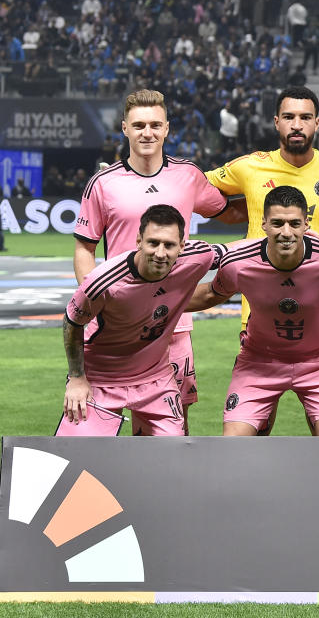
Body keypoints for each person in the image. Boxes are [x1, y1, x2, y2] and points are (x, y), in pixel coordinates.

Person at [73, 89, 245, 433]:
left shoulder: (188, 176)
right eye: (138, 125)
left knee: (172, 424)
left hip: (173, 323)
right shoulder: (103, 183)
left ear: (167, 128)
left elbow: (227, 213)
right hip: (116, 325)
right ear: (125, 129)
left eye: (154, 124)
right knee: (93, 425)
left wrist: (272, 202)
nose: (146, 132)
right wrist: (96, 298)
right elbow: (84, 249)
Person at [187, 187, 319, 436]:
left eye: (294, 223)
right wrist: (153, 304)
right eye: (277, 223)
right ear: (264, 225)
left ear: (306, 224)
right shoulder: (238, 264)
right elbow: (209, 294)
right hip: (259, 362)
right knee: (233, 445)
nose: (286, 232)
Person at [206, 86, 319, 364]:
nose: (297, 125)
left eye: (305, 117)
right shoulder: (250, 167)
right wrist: (232, 213)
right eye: (289, 117)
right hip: (259, 313)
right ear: (276, 121)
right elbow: (198, 188)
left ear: (317, 123)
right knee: (258, 402)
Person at [62, 205, 225, 436]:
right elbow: (72, 322)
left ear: (182, 246)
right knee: (79, 460)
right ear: (139, 240)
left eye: (169, 245)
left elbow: (235, 254)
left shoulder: (198, 256)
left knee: (172, 456)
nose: (160, 253)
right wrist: (77, 378)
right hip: (100, 377)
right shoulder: (103, 282)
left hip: (155, 378)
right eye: (153, 243)